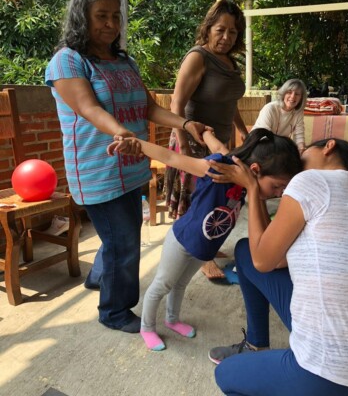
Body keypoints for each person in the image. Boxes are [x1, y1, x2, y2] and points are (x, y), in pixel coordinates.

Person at [45, 0, 212, 334]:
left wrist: (185, 123)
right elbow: (89, 108)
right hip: (98, 168)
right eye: (101, 16)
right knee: (123, 242)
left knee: (120, 234)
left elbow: (149, 108)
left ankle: (99, 277)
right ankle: (115, 311)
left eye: (115, 16)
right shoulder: (68, 61)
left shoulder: (125, 62)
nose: (110, 24)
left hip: (131, 165)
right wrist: (121, 133)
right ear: (82, 17)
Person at [206, 138, 348, 396]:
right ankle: (255, 344)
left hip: (320, 375)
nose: (297, 160)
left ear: (328, 147)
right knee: (244, 251)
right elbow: (272, 256)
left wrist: (253, 188)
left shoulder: (312, 180)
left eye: (303, 152)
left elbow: (263, 261)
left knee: (225, 374)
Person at [107, 128, 302, 351]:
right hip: (182, 240)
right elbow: (171, 157)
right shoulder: (218, 168)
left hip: (205, 247)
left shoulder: (245, 179)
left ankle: (172, 319)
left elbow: (219, 145)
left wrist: (207, 133)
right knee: (162, 285)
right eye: (277, 186)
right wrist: (137, 144)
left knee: (181, 284)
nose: (279, 193)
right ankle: (147, 327)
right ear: (255, 170)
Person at [164, 0, 248, 280]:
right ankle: (201, 257)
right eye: (220, 30)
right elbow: (176, 104)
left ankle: (205, 248)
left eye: (233, 32)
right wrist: (185, 148)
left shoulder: (230, 62)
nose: (226, 37)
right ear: (208, 28)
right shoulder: (198, 57)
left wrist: (242, 130)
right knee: (197, 203)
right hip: (191, 140)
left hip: (217, 142)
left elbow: (230, 101)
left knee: (212, 200)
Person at [253, 78, 307, 154]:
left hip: (278, 148)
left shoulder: (298, 112)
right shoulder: (270, 108)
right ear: (283, 93)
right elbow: (263, 135)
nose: (293, 96)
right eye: (289, 92)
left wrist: (301, 149)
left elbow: (299, 136)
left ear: (301, 98)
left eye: (297, 94)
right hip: (259, 145)